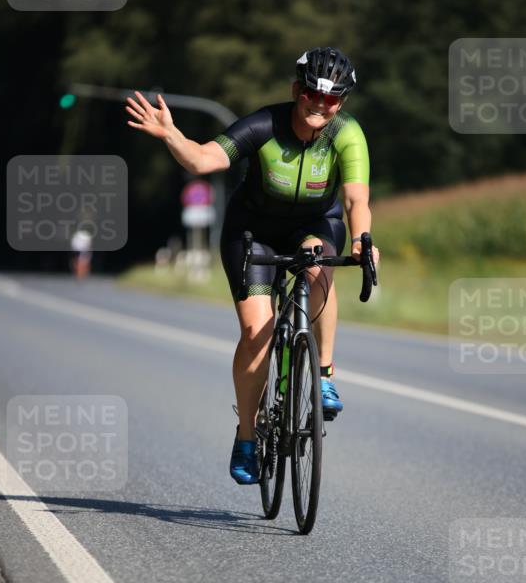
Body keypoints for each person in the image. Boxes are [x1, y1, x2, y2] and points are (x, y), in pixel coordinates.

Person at [126, 47, 379, 484]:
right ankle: (247, 434)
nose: (320, 105)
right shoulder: (265, 125)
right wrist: (171, 135)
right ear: (296, 91)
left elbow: (357, 198)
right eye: (311, 94)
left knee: (320, 266)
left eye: (332, 98)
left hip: (315, 224)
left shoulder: (346, 133)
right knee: (255, 336)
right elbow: (205, 158)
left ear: (342, 102)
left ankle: (323, 374)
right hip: (253, 231)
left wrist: (360, 240)